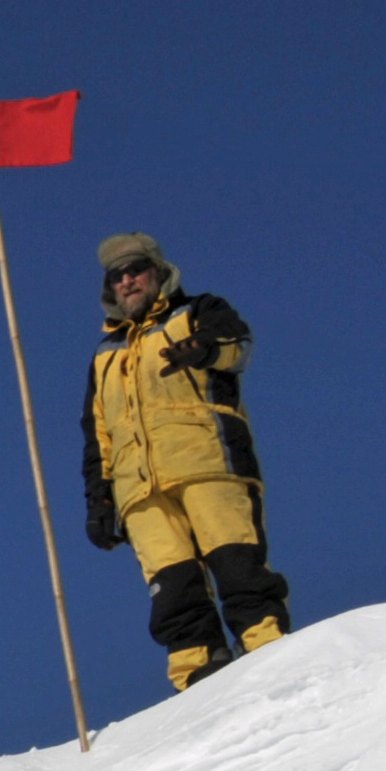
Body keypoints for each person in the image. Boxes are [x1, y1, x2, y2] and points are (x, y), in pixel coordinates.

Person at [79, 231, 294, 692]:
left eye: (136, 269)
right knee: (173, 588)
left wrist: (205, 350)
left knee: (236, 562)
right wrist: (100, 501)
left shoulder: (197, 312)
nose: (128, 280)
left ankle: (268, 650)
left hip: (207, 461)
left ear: (158, 272)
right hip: (138, 490)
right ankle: (197, 674)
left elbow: (238, 345)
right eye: (117, 276)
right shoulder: (105, 357)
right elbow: (97, 436)